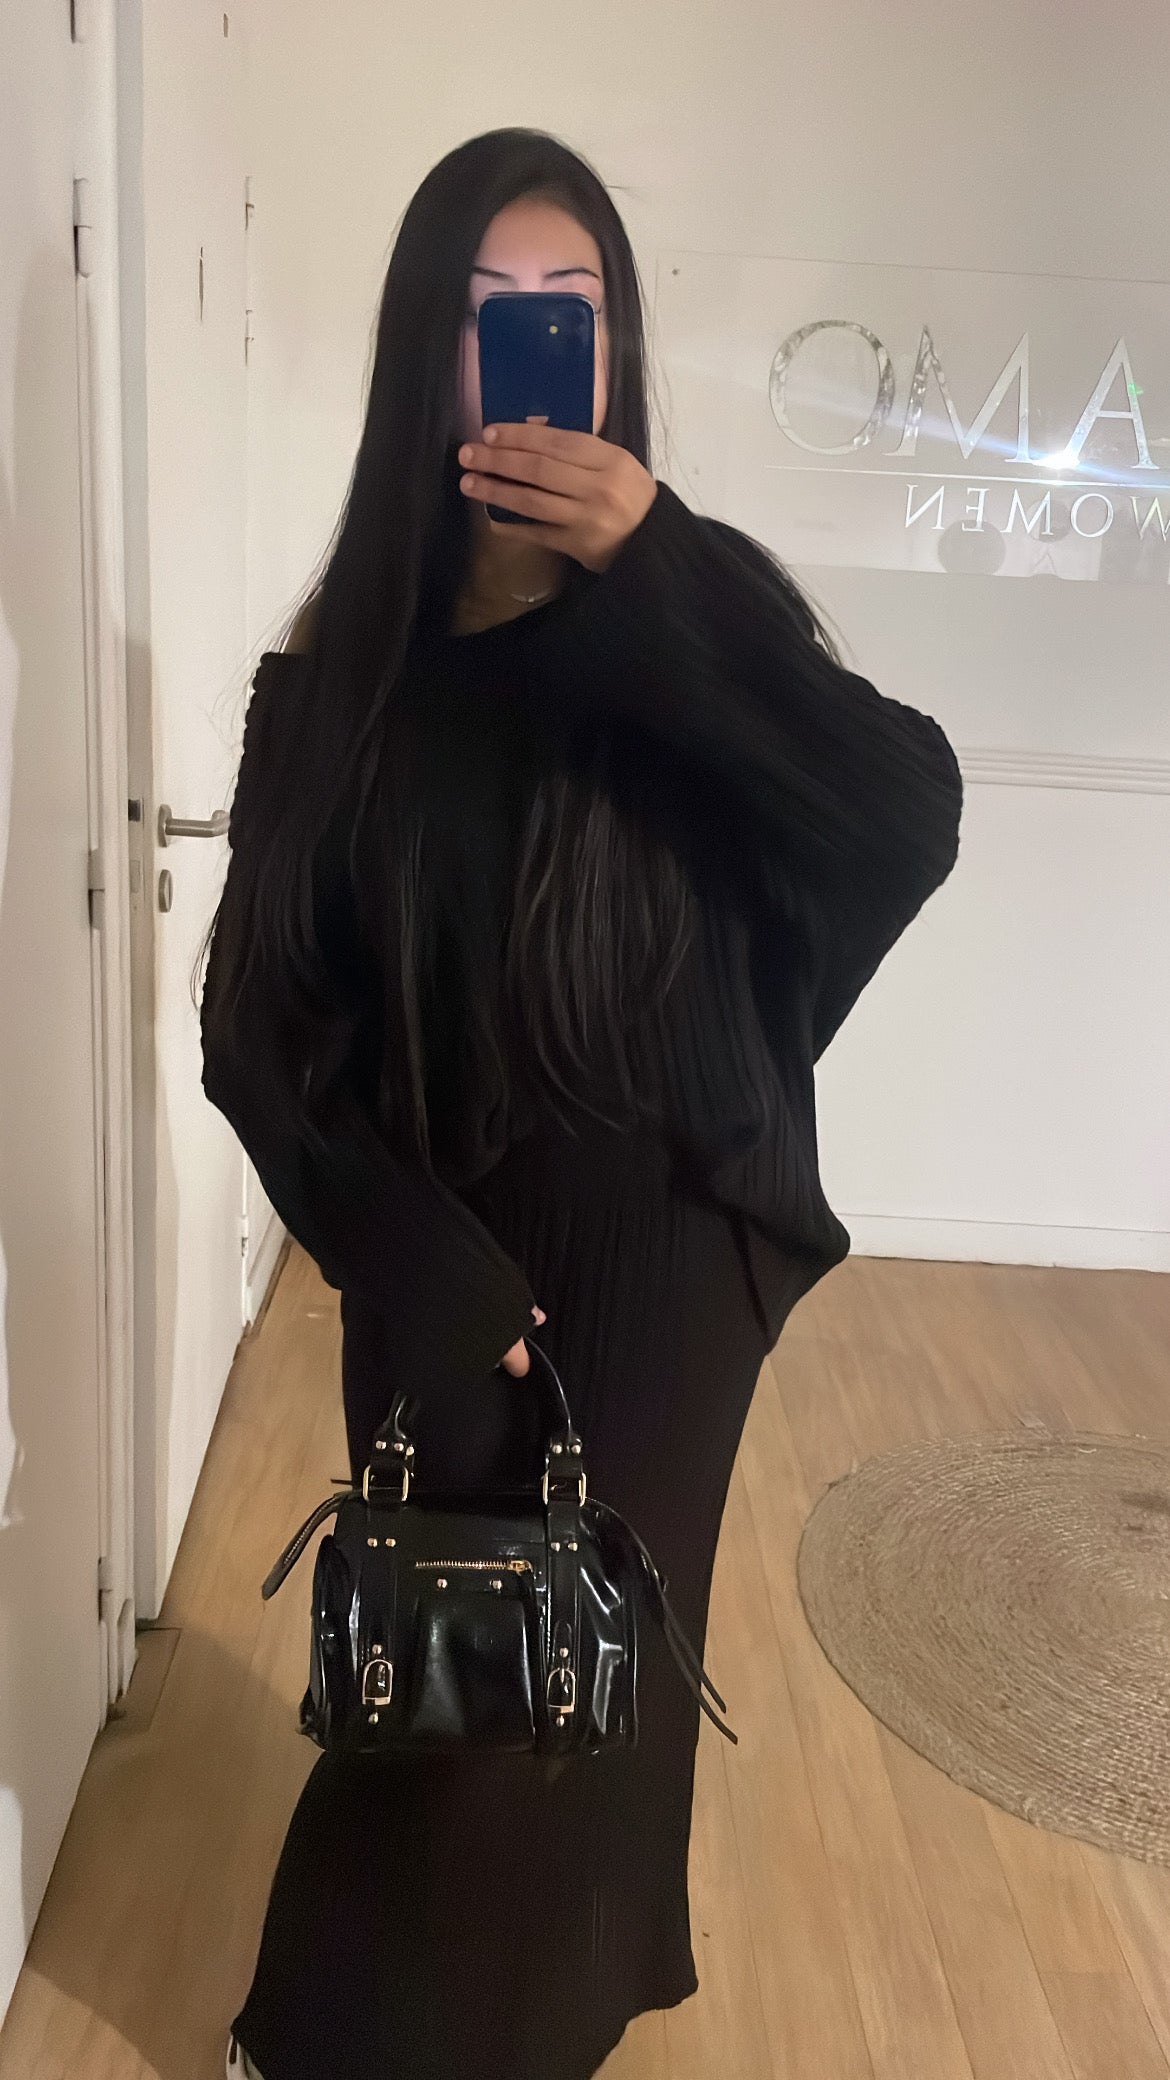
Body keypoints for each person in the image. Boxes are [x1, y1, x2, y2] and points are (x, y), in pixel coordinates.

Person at [201, 126, 963, 2080]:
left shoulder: (691, 617)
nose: (535, 343)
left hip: (661, 1268)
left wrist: (658, 565)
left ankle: (540, 2023)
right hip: (446, 1271)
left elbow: (900, 815)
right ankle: (333, 2030)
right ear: (423, 351)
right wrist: (421, 1271)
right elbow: (253, 1034)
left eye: (574, 305)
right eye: (490, 311)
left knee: (582, 1712)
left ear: (615, 343)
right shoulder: (345, 673)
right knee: (440, 1699)